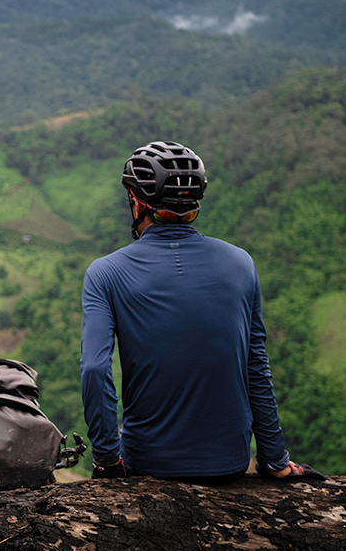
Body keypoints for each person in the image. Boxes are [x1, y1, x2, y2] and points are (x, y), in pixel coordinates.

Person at [79, 140, 323, 482]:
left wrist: (106, 461)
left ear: (136, 203)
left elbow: (94, 369)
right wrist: (274, 460)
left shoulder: (105, 273)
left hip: (150, 465)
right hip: (231, 464)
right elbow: (256, 366)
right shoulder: (241, 263)